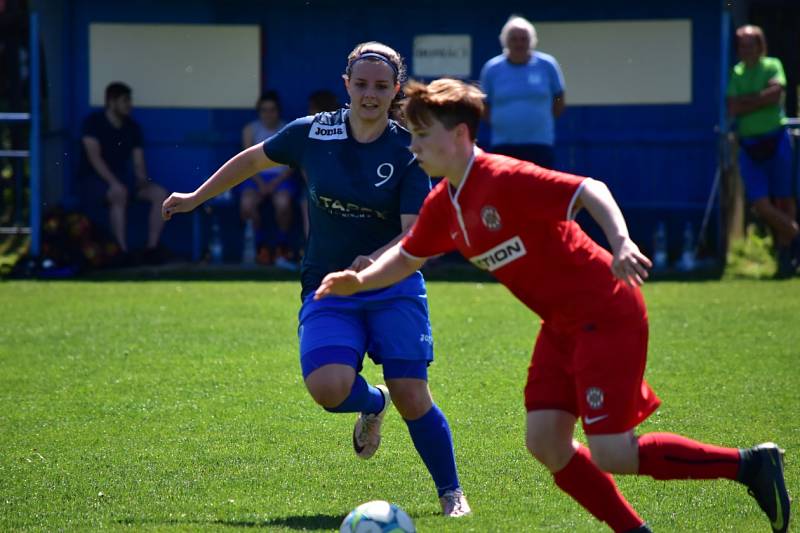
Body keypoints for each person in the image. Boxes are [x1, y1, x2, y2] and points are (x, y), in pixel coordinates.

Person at [316, 78, 791, 533]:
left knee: (612, 452)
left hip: (606, 312)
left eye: (422, 135)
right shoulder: (445, 202)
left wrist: (621, 242)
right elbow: (407, 255)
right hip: (561, 326)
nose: (413, 147)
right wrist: (358, 280)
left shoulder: (504, 177)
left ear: (459, 135)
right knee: (545, 442)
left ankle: (749, 466)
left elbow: (590, 190)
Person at [161, 43, 471, 517]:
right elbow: (252, 161)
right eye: (362, 84)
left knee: (413, 393)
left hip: (392, 284)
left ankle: (451, 493)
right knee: (328, 389)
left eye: (381, 87)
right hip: (328, 283)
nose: (371, 94)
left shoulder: (407, 147)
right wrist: (196, 197)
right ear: (346, 85)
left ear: (395, 93)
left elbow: (416, 237)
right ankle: (373, 402)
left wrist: (374, 260)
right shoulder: (312, 133)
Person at [727, 25, 800, 278]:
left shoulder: (772, 65)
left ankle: (785, 255)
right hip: (750, 145)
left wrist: (749, 100)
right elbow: (734, 107)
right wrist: (760, 98)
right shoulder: (736, 73)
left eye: (750, 44)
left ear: (760, 46)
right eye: (741, 45)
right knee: (761, 203)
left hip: (776, 140)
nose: (746, 50)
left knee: (784, 199)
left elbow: (775, 95)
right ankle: (795, 234)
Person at [79, 82, 168, 263]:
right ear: (111, 102)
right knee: (119, 193)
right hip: (95, 181)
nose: (129, 105)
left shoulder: (132, 127)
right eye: (125, 100)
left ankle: (151, 248)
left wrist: (142, 179)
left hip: (125, 180)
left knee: (161, 195)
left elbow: (138, 161)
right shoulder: (93, 124)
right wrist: (113, 182)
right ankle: (121, 251)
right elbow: (95, 158)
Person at [479, 15, 565, 168]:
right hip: (503, 145)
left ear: (531, 40)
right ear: (505, 41)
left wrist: (542, 119)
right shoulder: (492, 69)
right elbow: (484, 104)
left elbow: (559, 98)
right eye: (514, 38)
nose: (519, 43)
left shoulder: (547, 65)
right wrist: (501, 122)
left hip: (540, 144)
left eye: (523, 38)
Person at [238, 91, 298, 267]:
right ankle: (261, 247)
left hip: (281, 177)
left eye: (272, 110)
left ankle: (282, 246)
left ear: (278, 111)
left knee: (283, 205)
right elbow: (246, 162)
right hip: (255, 177)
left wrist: (274, 183)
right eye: (264, 110)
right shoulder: (250, 130)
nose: (268, 114)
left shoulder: (288, 128)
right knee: (247, 205)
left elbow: (292, 162)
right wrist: (261, 183)